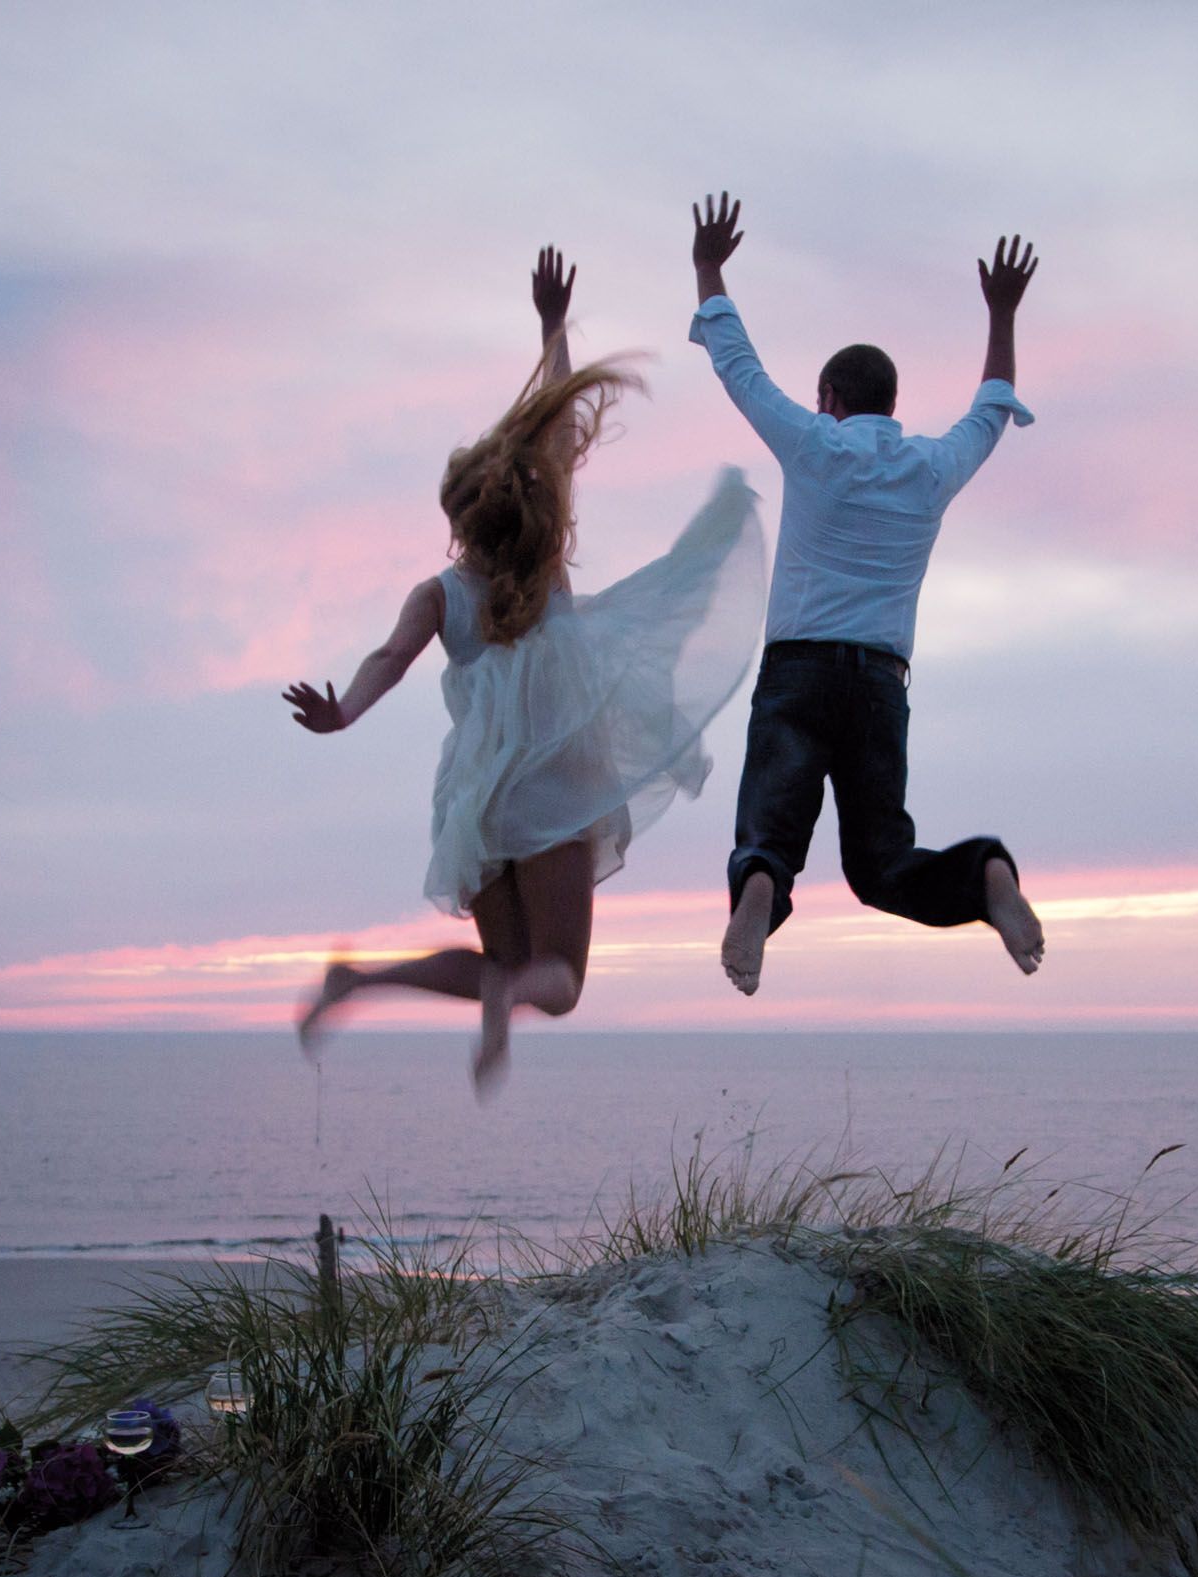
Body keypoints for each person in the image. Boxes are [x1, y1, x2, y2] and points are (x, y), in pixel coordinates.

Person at [286, 247, 766, 1092]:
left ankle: (357, 981)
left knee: (501, 958)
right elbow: (559, 433)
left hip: (480, 801)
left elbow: (388, 659)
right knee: (559, 980)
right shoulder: (544, 574)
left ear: (461, 514)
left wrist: (344, 713)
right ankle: (504, 1000)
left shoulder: (438, 595)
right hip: (556, 786)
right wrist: (552, 327)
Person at [685, 192, 1047, 995]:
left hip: (799, 675)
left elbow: (739, 368)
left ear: (829, 397)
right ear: (892, 405)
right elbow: (989, 414)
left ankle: (758, 889)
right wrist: (1002, 312)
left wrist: (709, 266)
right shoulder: (927, 469)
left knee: (772, 828)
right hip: (881, 687)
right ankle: (987, 877)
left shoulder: (814, 445)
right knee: (882, 864)